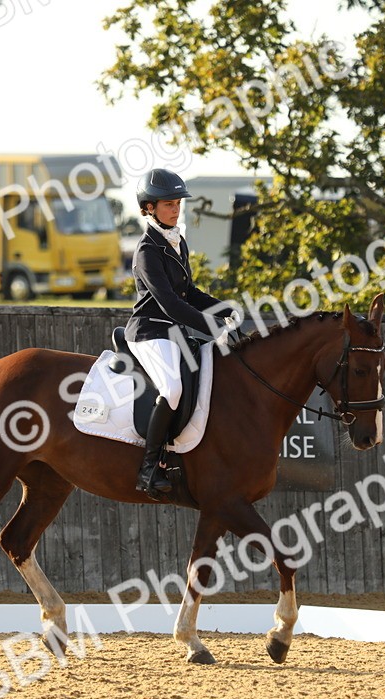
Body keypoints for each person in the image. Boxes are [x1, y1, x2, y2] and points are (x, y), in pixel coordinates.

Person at [125, 168, 234, 498]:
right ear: (149, 208)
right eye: (169, 204)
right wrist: (212, 327)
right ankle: (149, 466)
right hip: (149, 332)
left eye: (177, 203)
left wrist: (225, 308)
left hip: (172, 332)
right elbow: (170, 303)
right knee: (172, 389)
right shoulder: (147, 251)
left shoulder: (177, 241)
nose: (176, 209)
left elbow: (189, 291)